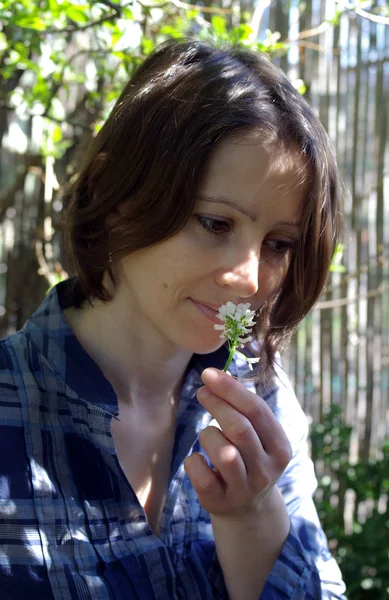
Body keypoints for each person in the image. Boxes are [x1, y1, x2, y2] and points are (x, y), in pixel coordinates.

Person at [0, 39, 347, 599]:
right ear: (119, 200)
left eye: (279, 244)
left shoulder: (265, 405)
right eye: (215, 224)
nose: (250, 279)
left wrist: (253, 521)